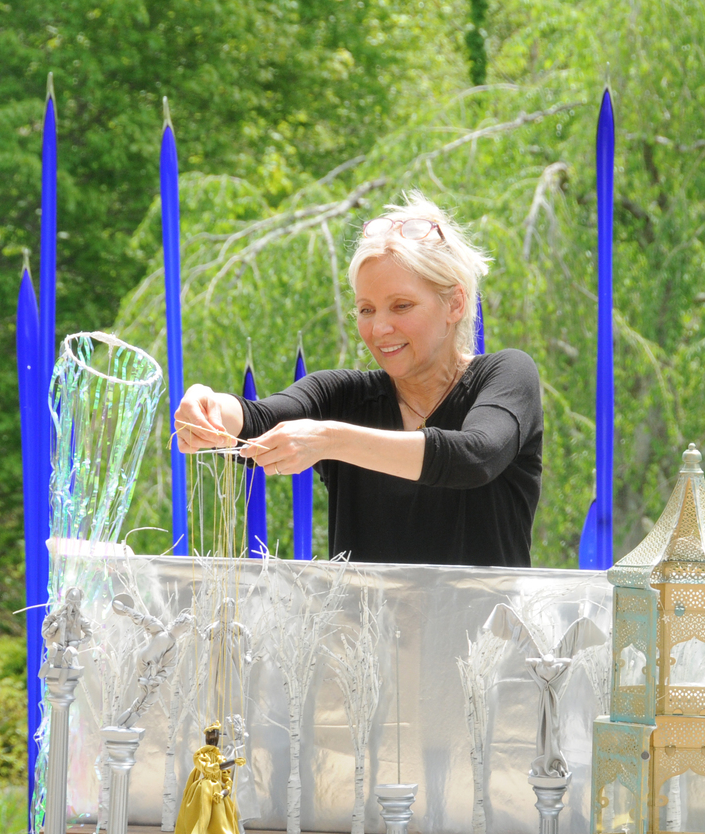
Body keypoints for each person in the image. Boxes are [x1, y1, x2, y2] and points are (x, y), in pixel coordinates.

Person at [174, 191, 543, 568]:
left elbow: (474, 457)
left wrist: (330, 439)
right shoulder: (342, 396)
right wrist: (209, 408)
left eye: (401, 306)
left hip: (484, 628)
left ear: (455, 304)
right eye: (366, 309)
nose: (380, 328)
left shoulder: (508, 373)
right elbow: (258, 420)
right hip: (361, 629)